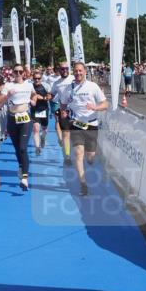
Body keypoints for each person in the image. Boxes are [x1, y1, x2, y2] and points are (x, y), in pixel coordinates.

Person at [62, 61, 109, 196]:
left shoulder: (93, 87)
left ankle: (91, 158)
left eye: (80, 71)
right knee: (78, 153)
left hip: (91, 125)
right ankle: (83, 183)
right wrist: (63, 112)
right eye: (76, 71)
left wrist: (95, 107)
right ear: (73, 72)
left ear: (85, 72)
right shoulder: (68, 88)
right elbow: (63, 104)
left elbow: (105, 104)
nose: (78, 73)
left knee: (90, 157)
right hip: (76, 124)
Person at [0, 65, 38, 191]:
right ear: (13, 73)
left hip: (25, 119)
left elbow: (34, 95)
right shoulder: (8, 85)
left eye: (20, 71)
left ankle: (24, 178)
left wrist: (33, 101)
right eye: (15, 71)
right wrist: (7, 96)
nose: (18, 73)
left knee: (23, 148)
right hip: (12, 119)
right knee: (17, 148)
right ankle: (21, 166)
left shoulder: (28, 84)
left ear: (24, 73)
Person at [50, 63, 74, 165]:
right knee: (66, 134)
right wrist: (45, 97)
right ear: (59, 70)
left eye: (66, 69)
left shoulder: (73, 78)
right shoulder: (56, 83)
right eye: (62, 69)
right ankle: (67, 156)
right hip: (64, 111)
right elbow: (51, 94)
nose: (64, 70)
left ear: (68, 69)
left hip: (77, 112)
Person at [29, 68, 51, 155]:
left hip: (44, 109)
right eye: (35, 78)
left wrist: (42, 97)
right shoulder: (30, 86)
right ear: (33, 78)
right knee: (35, 129)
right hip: (34, 110)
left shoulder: (46, 86)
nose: (37, 80)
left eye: (39, 78)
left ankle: (43, 138)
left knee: (44, 129)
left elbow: (49, 96)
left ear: (41, 79)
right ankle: (37, 148)